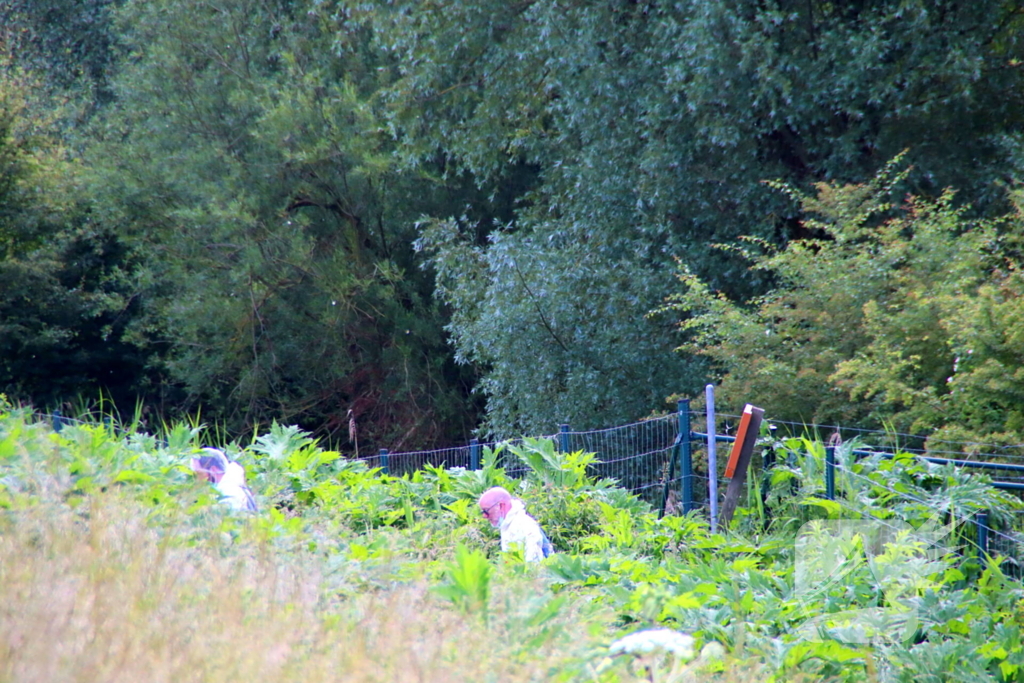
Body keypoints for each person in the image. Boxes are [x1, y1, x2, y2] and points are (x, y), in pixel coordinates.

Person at [478, 486, 554, 562]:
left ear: (501, 506)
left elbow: (533, 563)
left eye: (486, 511)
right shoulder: (507, 525)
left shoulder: (525, 525)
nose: (484, 516)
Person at [190, 447, 258, 513]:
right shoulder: (230, 484)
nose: (196, 478)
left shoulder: (230, 492)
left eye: (198, 473)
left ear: (213, 470)